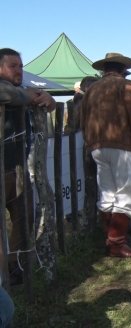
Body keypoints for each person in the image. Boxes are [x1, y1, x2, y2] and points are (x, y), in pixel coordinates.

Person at [80, 52, 131, 258]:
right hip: (123, 146)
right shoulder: (126, 87)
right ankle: (116, 243)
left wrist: (90, 144)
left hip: (97, 147)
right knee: (126, 194)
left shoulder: (91, 89)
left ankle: (112, 236)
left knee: (108, 193)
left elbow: (82, 121)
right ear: (122, 70)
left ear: (104, 69)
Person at [0, 48, 56, 284]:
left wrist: (48, 98)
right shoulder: (9, 90)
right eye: (13, 66)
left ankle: (16, 267)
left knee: (23, 219)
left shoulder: (19, 89)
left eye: (21, 66)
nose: (19, 70)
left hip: (16, 167)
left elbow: (49, 104)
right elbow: (9, 95)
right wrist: (33, 95)